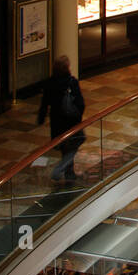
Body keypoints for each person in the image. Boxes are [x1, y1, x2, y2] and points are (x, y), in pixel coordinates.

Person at [37, 56, 85, 184]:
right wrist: (78, 116)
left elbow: (44, 104)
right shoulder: (72, 82)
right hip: (71, 123)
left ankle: (70, 173)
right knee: (76, 142)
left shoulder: (49, 83)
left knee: (65, 148)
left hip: (57, 123)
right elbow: (80, 103)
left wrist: (41, 119)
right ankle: (61, 170)